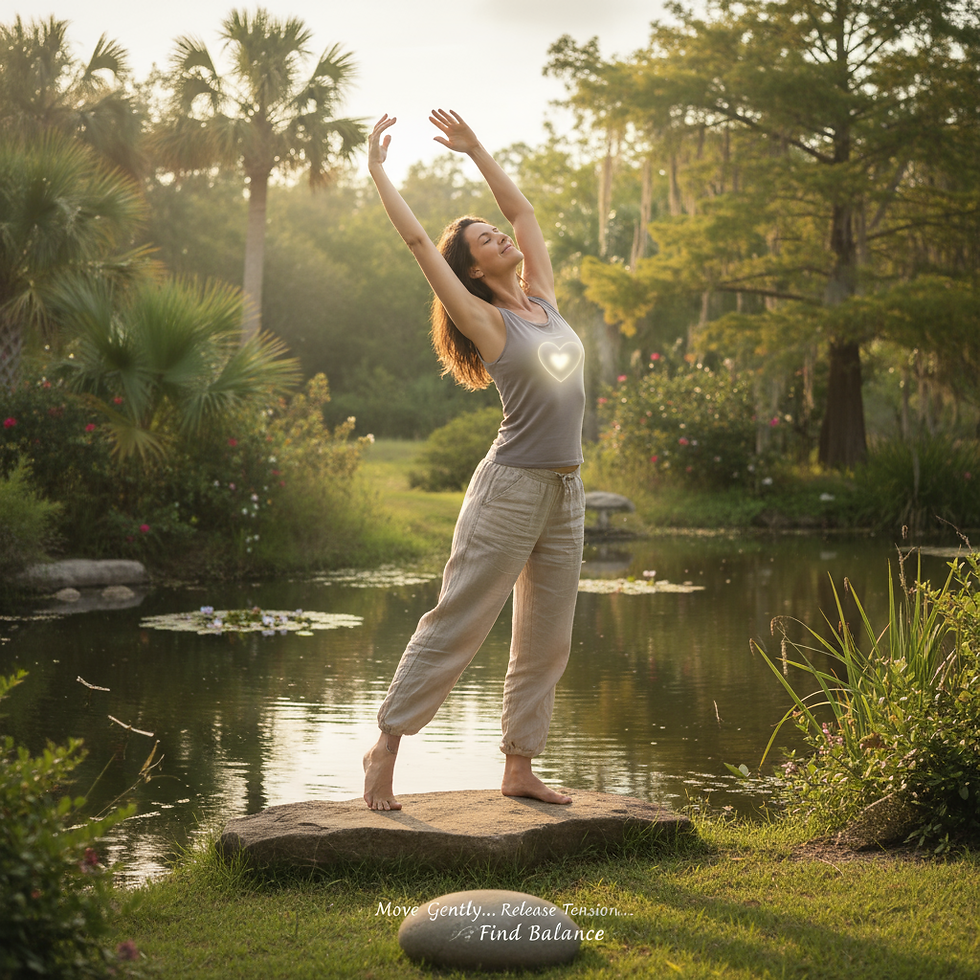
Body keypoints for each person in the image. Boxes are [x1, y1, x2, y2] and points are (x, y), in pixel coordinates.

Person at [362, 109, 586, 811]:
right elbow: (419, 241)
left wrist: (476, 149)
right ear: (473, 269)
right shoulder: (486, 319)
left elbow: (521, 208)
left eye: (494, 231)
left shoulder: (543, 298)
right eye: (482, 238)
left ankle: (520, 767)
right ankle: (386, 748)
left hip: (566, 490)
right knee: (459, 620)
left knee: (547, 639)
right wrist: (377, 172)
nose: (497, 232)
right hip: (510, 489)